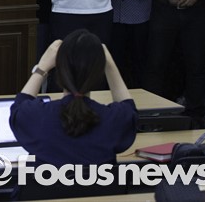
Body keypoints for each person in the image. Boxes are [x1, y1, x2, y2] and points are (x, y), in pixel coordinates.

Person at [10, 29, 137, 166]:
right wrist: (110, 66)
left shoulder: (38, 116)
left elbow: (19, 106)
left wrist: (42, 68)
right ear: (99, 73)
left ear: (59, 71)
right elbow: (129, 109)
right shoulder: (114, 120)